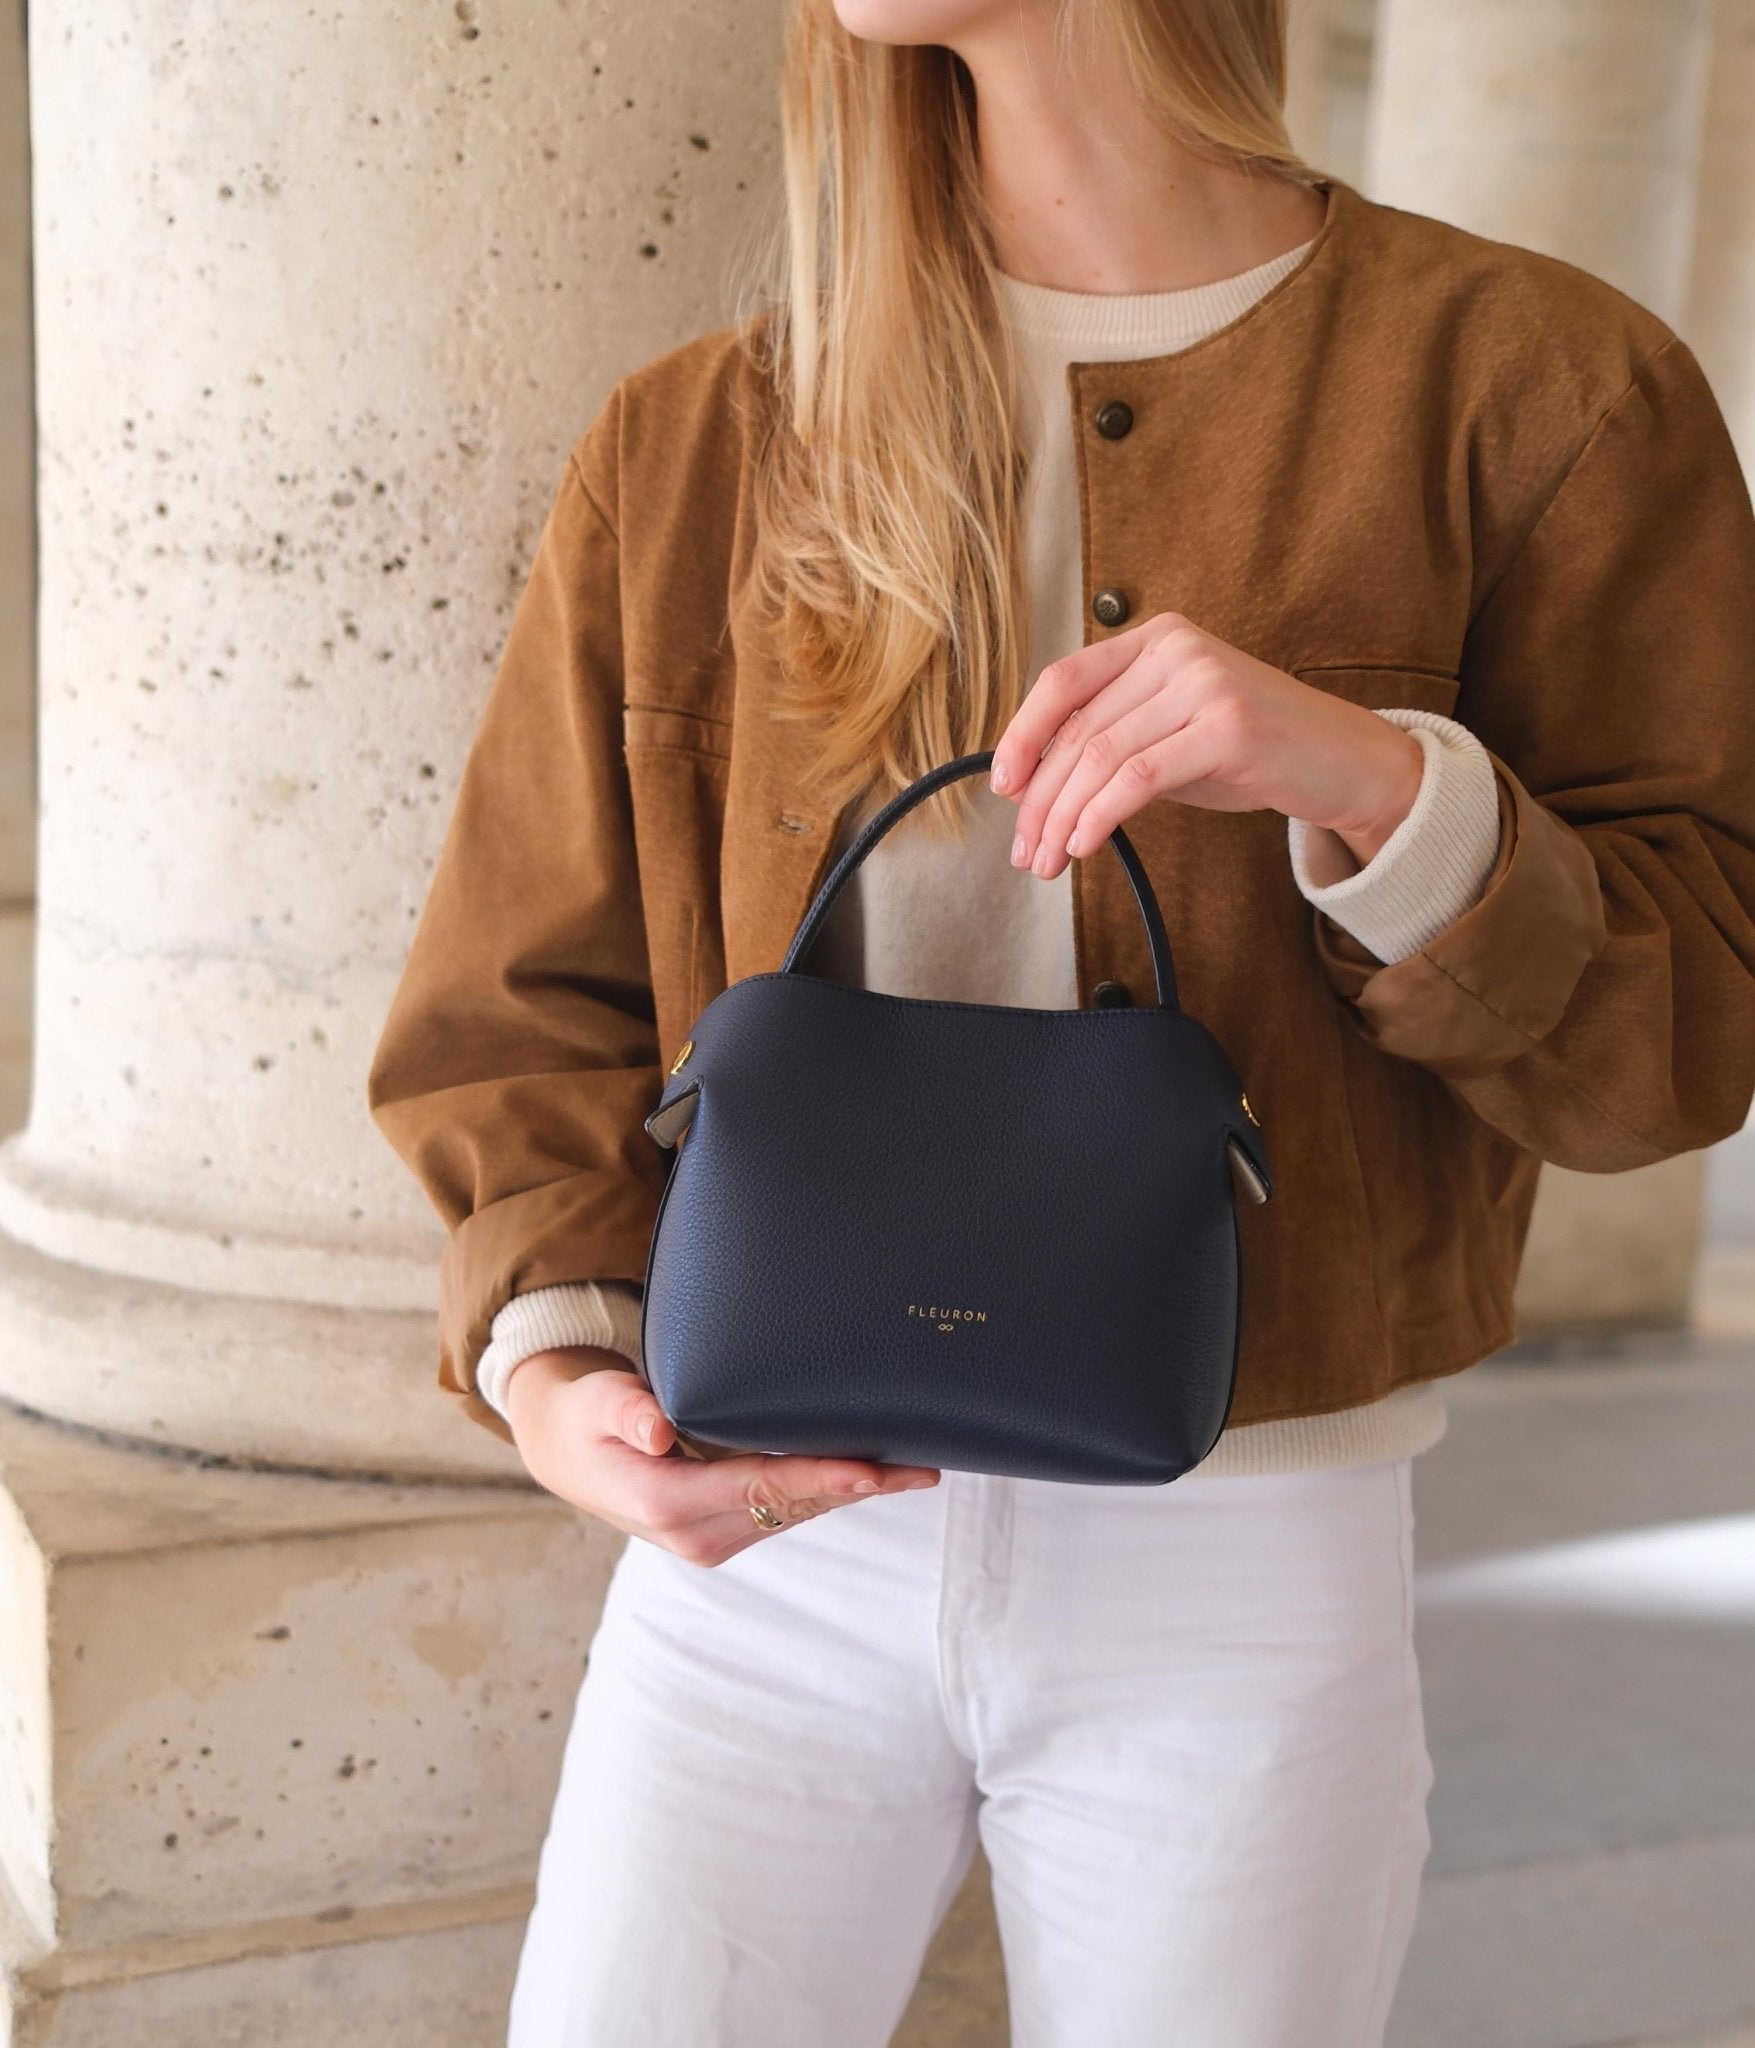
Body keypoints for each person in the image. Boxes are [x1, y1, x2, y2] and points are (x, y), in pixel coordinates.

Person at [366, 1, 1755, 2041]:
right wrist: (560, 1353)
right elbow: (518, 999)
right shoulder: (703, 440)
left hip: (1239, 1563)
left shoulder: (1532, 387)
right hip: (766, 1549)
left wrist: (1377, 783)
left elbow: (1680, 1037)